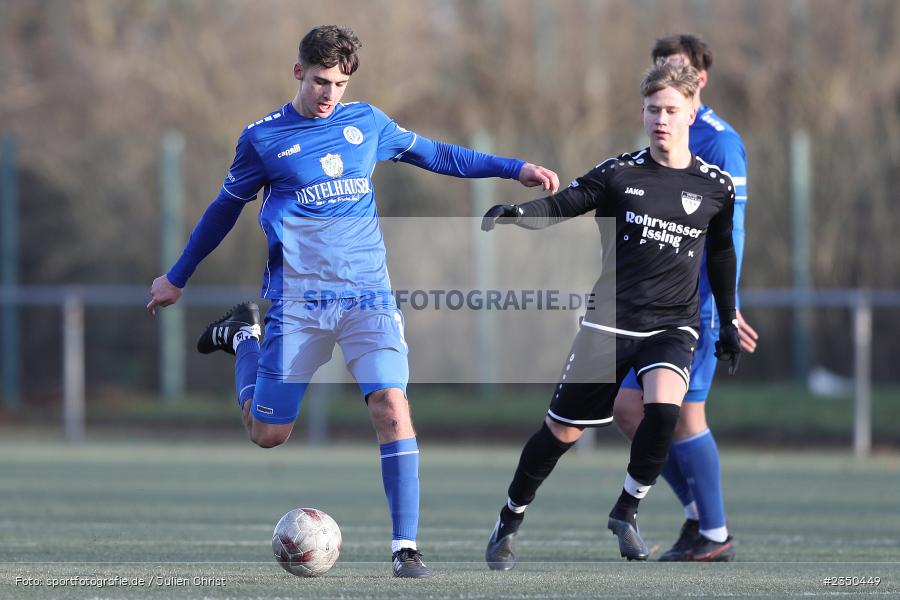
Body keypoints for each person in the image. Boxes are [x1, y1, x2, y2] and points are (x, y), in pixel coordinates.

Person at [146, 25, 559, 578]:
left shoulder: (368, 123)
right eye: (320, 80)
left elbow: (438, 155)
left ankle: (405, 549)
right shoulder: (262, 139)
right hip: (297, 304)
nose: (328, 93)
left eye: (339, 83)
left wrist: (516, 168)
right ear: (298, 72)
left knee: (391, 406)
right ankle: (244, 335)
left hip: (368, 297)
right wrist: (177, 277)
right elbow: (222, 211)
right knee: (268, 433)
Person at [481, 60, 741, 568]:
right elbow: (567, 203)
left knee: (664, 412)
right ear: (642, 113)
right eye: (651, 110)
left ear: (691, 112)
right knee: (560, 435)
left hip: (674, 325)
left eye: (670, 109)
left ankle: (627, 509)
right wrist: (519, 214)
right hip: (608, 323)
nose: (661, 119)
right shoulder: (621, 172)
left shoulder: (716, 187)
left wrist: (727, 319)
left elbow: (721, 255)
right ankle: (509, 517)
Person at [612, 34, 758, 563]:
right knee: (630, 408)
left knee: (685, 414)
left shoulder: (719, 143)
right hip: (654, 302)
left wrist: (727, 305)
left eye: (681, 71)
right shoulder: (664, 130)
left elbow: (728, 235)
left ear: (702, 81)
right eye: (661, 70)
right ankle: (699, 516)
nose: (670, 80)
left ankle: (712, 532)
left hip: (694, 305)